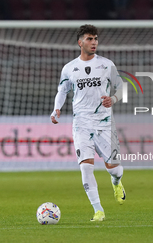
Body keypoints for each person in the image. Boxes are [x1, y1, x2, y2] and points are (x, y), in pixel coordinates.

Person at [51, 24, 125, 222]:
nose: (94, 42)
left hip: (105, 123)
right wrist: (56, 108)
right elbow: (62, 91)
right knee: (85, 167)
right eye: (90, 39)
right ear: (80, 42)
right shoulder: (69, 68)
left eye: (96, 39)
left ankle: (116, 182)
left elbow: (120, 87)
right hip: (81, 124)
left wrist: (114, 99)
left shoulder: (107, 65)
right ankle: (98, 210)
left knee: (114, 169)